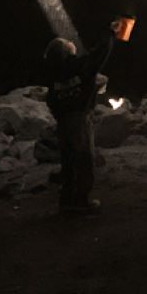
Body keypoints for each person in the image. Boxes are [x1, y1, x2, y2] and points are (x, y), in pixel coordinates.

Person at [43, 21, 120, 215]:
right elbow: (98, 55)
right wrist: (109, 33)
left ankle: (67, 200)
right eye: (67, 43)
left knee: (68, 160)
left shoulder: (53, 74)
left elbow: (51, 99)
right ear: (65, 51)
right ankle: (80, 201)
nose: (71, 43)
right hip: (78, 119)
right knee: (83, 158)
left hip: (63, 122)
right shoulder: (77, 66)